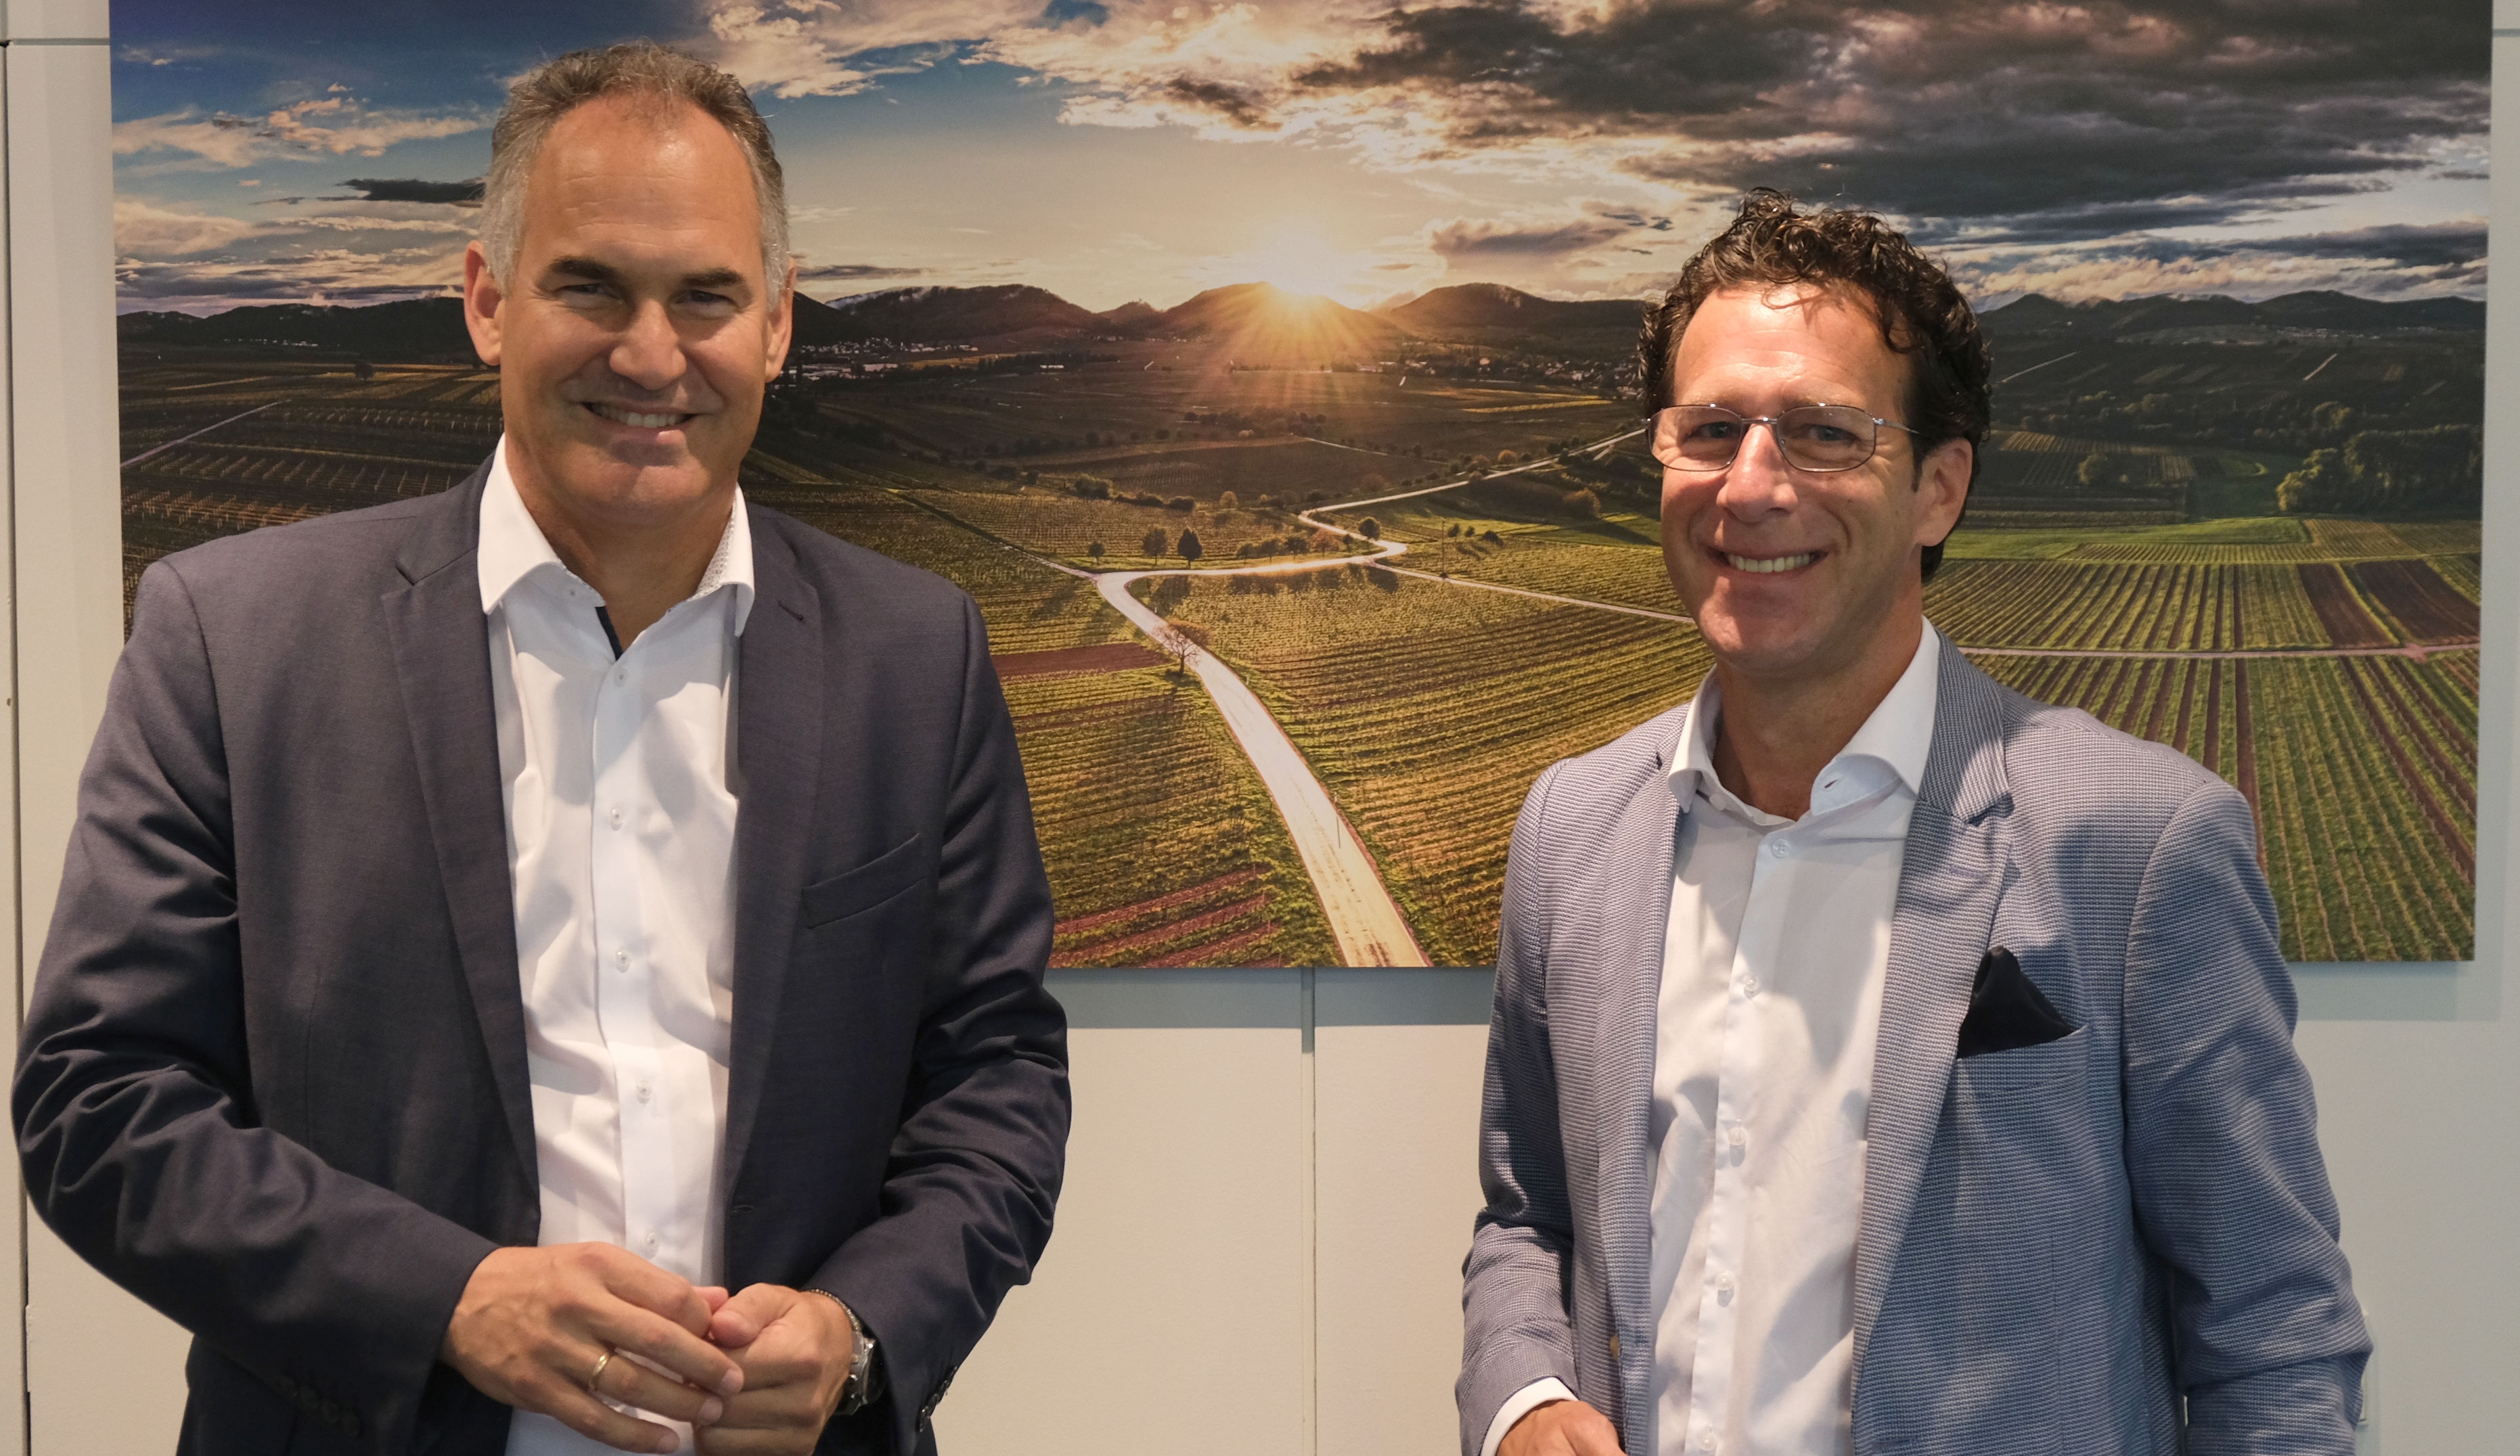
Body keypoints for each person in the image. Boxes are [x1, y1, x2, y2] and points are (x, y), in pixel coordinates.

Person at [16, 41, 1068, 1456]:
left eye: (706, 296)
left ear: (775, 324)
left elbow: (994, 1077)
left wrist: (865, 1328)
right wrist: (445, 1296)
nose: (652, 353)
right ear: (487, 300)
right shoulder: (231, 638)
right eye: (590, 285)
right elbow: (102, 1102)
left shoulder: (914, 654)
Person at [1458, 191, 2368, 1456]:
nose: (1753, 487)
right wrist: (1525, 1401)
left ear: (1939, 490)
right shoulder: (1571, 829)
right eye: (1710, 429)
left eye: (1825, 434)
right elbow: (1526, 1221)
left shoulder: (2143, 846)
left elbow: (2273, 1338)